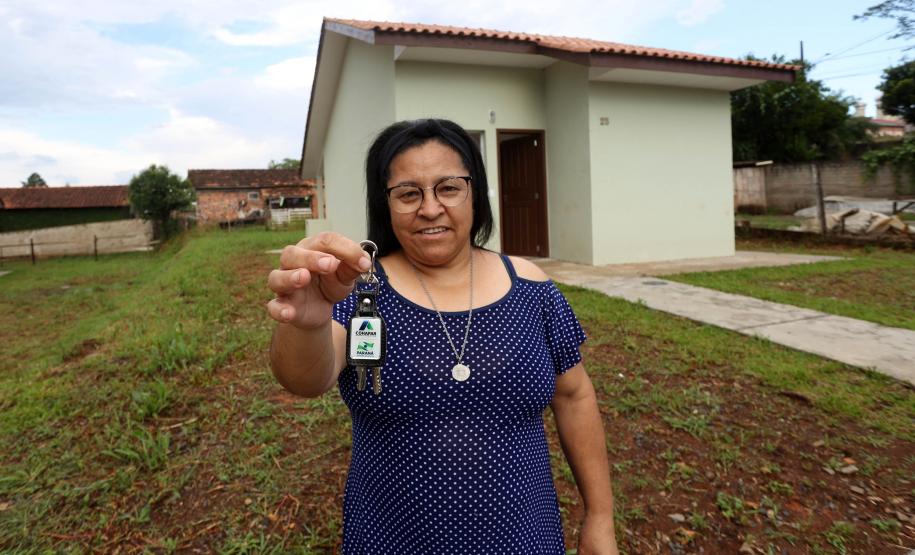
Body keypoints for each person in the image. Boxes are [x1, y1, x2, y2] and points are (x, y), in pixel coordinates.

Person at [267, 119, 619, 554]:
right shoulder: (356, 289)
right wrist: (307, 321)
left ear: (474, 192)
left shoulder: (532, 287)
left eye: (448, 187)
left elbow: (574, 395)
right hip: (391, 541)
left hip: (525, 537)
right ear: (386, 202)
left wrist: (600, 518)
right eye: (409, 193)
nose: (430, 208)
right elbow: (304, 380)